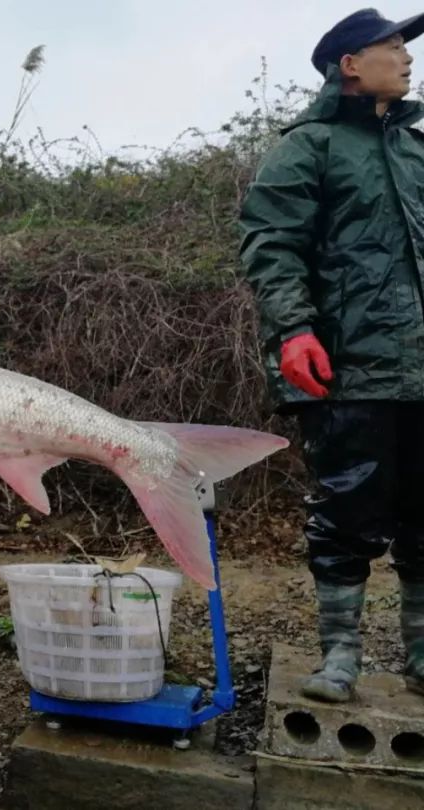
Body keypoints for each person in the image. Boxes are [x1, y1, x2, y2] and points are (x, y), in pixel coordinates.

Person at [240, 9, 424, 702]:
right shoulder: (307, 147)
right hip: (349, 366)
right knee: (347, 508)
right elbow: (270, 243)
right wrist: (294, 329)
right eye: (392, 47)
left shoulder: (416, 151)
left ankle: (421, 651)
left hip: (422, 367)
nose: (406, 58)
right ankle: (339, 654)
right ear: (351, 63)